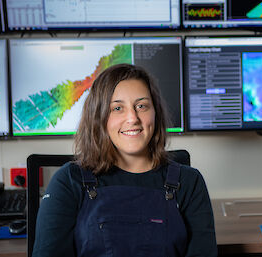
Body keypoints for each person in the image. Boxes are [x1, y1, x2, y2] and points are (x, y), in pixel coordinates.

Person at [32, 63, 217, 257]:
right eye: (118, 108)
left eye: (141, 106)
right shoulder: (69, 181)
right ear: (99, 117)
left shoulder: (189, 182)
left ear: (156, 113)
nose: (132, 118)